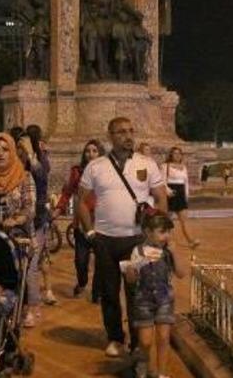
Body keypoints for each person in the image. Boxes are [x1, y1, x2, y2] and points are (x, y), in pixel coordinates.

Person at [76, 116, 168, 357]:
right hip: (105, 240)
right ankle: (115, 337)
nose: (128, 136)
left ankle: (138, 341)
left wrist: (157, 234)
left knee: (136, 293)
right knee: (109, 292)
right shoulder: (96, 166)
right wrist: (90, 232)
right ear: (110, 136)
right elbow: (82, 202)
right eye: (121, 132)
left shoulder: (147, 163)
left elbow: (161, 198)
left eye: (130, 131)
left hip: (136, 240)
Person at [0, 132, 39, 326]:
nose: (0, 154)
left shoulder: (24, 176)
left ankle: (23, 307)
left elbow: (30, 206)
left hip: (18, 233)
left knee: (18, 271)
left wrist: (16, 219)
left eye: (5, 150)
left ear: (12, 153)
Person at [123, 213, 185, 378]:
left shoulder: (167, 251)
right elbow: (131, 280)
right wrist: (131, 271)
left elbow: (181, 273)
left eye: (168, 232)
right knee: (145, 341)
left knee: (164, 338)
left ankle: (162, 374)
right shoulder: (138, 251)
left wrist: (175, 253)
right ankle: (143, 362)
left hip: (165, 299)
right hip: (143, 300)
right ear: (148, 232)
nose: (166, 236)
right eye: (162, 232)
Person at [54, 139, 104, 302]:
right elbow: (67, 192)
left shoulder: (108, 171)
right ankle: (82, 282)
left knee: (101, 262)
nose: (91, 154)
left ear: (100, 153)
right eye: (88, 151)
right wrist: (59, 208)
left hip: (102, 224)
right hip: (82, 224)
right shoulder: (77, 172)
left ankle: (97, 292)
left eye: (95, 151)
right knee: (80, 260)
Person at [19, 124, 57, 306]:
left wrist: (31, 154)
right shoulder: (17, 162)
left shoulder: (39, 158)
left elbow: (42, 176)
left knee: (37, 259)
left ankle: (38, 300)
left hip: (38, 215)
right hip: (20, 215)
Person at [164, 147, 200, 249]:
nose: (177, 155)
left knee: (184, 220)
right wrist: (168, 191)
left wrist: (186, 195)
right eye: (175, 153)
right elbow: (162, 181)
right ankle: (165, 241)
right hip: (171, 194)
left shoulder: (183, 167)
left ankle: (191, 241)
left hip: (180, 194)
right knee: (167, 221)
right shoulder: (165, 166)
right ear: (171, 155)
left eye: (179, 154)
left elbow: (186, 182)